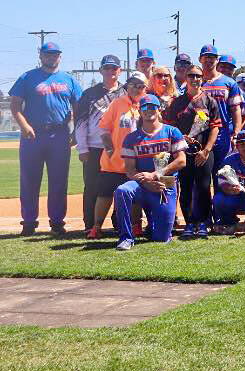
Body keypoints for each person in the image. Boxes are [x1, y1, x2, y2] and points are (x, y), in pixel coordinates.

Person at [10, 41, 82, 237]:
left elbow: (79, 105)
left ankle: (57, 222)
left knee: (59, 181)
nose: (52, 57)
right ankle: (29, 222)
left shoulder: (68, 79)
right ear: (40, 56)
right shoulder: (28, 77)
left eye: (55, 54)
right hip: (32, 135)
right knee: (29, 180)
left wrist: (75, 130)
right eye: (48, 54)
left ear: (60, 56)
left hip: (59, 134)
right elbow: (15, 105)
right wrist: (24, 125)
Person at [112, 94, 186, 250]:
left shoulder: (172, 132)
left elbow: (181, 161)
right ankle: (126, 237)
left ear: (159, 110)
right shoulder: (132, 138)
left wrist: (155, 175)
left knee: (161, 238)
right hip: (141, 183)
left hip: (165, 182)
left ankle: (154, 224)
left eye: (153, 107)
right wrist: (146, 182)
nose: (149, 110)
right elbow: (130, 169)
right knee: (122, 190)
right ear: (140, 111)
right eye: (145, 107)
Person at [163, 66, 223, 238]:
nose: (194, 79)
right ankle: (190, 222)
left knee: (204, 187)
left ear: (202, 78)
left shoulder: (209, 101)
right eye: (191, 75)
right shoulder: (177, 102)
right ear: (186, 78)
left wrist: (206, 150)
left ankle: (203, 222)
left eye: (198, 76)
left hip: (203, 152)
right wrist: (180, 138)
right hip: (182, 153)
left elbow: (215, 128)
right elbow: (169, 127)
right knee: (186, 186)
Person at [93, 72, 149, 237]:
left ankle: (136, 225)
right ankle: (96, 227)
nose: (136, 88)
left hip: (137, 162)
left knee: (135, 197)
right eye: (133, 84)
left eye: (140, 86)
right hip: (113, 162)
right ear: (127, 85)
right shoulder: (117, 103)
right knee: (104, 195)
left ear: (145, 88)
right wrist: (110, 150)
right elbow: (104, 128)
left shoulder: (147, 104)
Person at [75, 55, 124, 237]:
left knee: (121, 186)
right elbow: (80, 123)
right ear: (101, 70)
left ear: (120, 71)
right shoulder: (89, 94)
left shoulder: (126, 92)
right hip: (95, 148)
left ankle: (120, 222)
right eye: (107, 68)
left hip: (119, 148)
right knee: (92, 187)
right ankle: (91, 225)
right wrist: (83, 148)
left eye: (114, 68)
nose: (111, 71)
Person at [197, 45, 244, 172]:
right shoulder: (195, 80)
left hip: (222, 135)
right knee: (201, 179)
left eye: (212, 57)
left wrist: (236, 132)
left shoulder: (229, 82)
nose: (209, 60)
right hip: (200, 135)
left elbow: (236, 110)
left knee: (222, 174)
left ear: (217, 60)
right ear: (200, 59)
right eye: (206, 57)